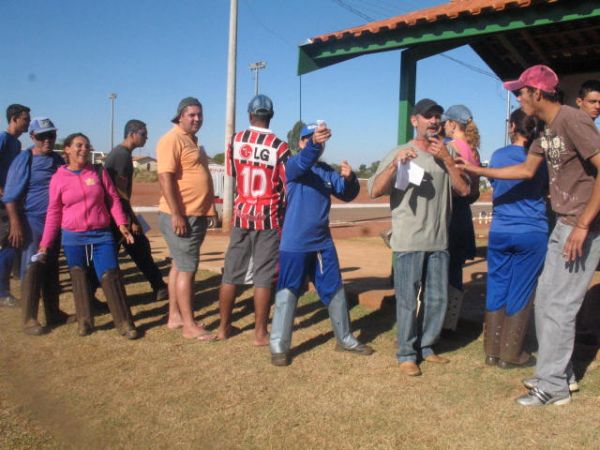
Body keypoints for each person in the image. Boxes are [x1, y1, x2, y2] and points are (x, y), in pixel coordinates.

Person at [460, 65, 600, 406]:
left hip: (582, 227)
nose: (518, 98)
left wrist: (583, 225)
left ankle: (553, 387)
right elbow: (525, 170)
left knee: (560, 306)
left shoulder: (573, 120)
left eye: (521, 92)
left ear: (537, 92)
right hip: (563, 224)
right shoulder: (546, 129)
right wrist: (477, 169)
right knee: (547, 301)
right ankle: (558, 374)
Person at [368, 99, 469, 377]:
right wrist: (394, 165)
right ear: (415, 121)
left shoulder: (447, 152)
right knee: (407, 301)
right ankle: (406, 353)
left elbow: (463, 190)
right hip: (408, 240)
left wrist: (447, 160)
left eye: (437, 116)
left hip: (439, 240)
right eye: (428, 116)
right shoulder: (400, 151)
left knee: (437, 299)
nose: (434, 121)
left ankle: (427, 346)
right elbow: (375, 190)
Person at [270, 122, 373, 366]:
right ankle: (278, 346)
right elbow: (306, 158)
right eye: (307, 138)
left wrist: (349, 178)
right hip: (294, 244)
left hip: (322, 244)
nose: (313, 142)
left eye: (316, 139)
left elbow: (346, 193)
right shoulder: (292, 165)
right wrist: (315, 145)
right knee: (288, 292)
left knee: (335, 289)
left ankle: (345, 339)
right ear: (300, 143)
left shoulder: (326, 171)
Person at [39, 133, 139, 339]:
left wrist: (121, 224)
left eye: (86, 145)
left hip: (102, 235)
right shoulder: (58, 178)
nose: (84, 149)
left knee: (111, 275)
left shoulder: (98, 172)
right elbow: (54, 212)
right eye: (79, 145)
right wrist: (45, 243)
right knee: (79, 277)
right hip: (73, 237)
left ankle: (125, 323)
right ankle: (84, 322)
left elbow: (113, 199)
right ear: (67, 149)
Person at [216, 95, 289, 346]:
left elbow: (232, 174)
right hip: (268, 218)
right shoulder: (280, 146)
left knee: (231, 274)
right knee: (263, 276)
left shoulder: (235, 140)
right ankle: (260, 333)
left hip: (241, 215)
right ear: (271, 116)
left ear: (250, 115)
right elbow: (286, 184)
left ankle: (223, 328)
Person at [483, 108, 548, 369]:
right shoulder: (540, 157)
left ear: (512, 126)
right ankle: (511, 353)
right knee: (521, 287)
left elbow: (495, 185)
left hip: (500, 229)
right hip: (531, 230)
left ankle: (492, 350)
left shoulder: (498, 156)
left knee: (497, 283)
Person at [4, 118, 72, 334]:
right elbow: (10, 197)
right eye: (42, 136)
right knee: (32, 268)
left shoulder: (57, 160)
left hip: (54, 224)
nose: (47, 140)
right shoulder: (24, 160)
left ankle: (54, 312)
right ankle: (29, 318)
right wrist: (15, 224)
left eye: (51, 135)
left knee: (51, 267)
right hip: (31, 223)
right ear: (32, 137)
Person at [157, 97, 216, 340]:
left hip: (195, 214)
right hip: (183, 216)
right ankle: (190, 326)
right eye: (191, 115)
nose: (197, 118)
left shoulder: (190, 140)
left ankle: (175, 316)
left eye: (199, 114)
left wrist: (209, 209)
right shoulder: (172, 139)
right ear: (180, 116)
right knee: (187, 269)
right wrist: (177, 214)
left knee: (178, 265)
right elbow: (165, 177)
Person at [105, 119, 168, 301]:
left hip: (118, 214)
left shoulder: (121, 154)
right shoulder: (122, 156)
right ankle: (159, 286)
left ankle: (159, 286)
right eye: (143, 134)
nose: (146, 138)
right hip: (118, 216)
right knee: (137, 249)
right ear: (132, 134)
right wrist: (131, 220)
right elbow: (120, 192)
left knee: (139, 249)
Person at [441, 105, 481, 325]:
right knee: (455, 269)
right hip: (464, 214)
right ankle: (451, 321)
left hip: (449, 214)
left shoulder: (450, 147)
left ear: (452, 123)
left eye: (445, 122)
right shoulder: (474, 151)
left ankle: (438, 321)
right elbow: (473, 193)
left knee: (440, 269)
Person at [0, 104, 30, 307]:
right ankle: (3, 293)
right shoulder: (3, 139)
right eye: (25, 119)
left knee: (16, 241)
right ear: (14, 119)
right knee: (10, 241)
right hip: (3, 203)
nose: (27, 122)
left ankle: (20, 278)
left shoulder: (17, 144)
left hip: (13, 200)